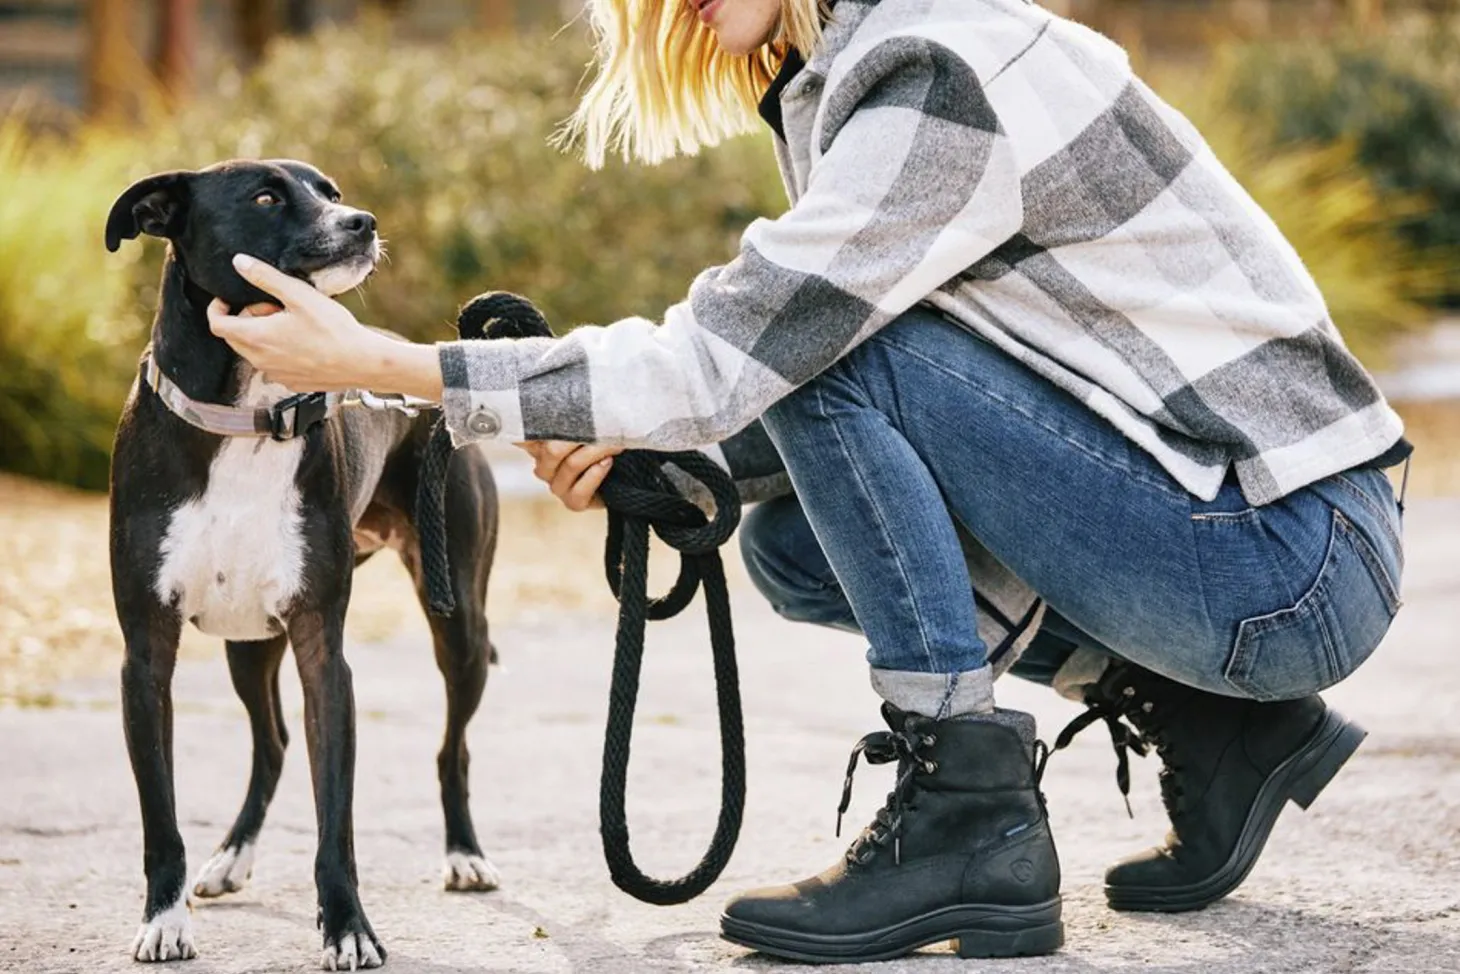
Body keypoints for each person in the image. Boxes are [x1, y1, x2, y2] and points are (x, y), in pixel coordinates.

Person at [209, 0, 1412, 963]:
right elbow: (872, 394)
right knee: (788, 543)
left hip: (1283, 555)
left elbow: (768, 345)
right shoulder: (860, 66)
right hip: (1248, 534)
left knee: (835, 344)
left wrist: (387, 364)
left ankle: (966, 808)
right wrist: (652, 457)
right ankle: (1215, 724)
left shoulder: (932, 66)